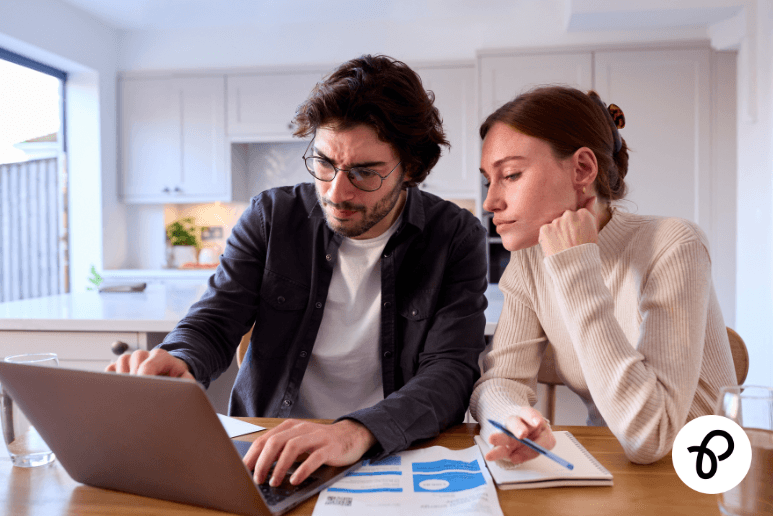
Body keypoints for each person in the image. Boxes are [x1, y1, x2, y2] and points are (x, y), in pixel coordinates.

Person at [107, 55, 488, 487]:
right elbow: (216, 318)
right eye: (324, 163)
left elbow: (451, 371)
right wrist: (180, 357)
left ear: (412, 169)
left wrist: (355, 431)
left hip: (389, 452)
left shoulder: (455, 236)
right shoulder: (271, 216)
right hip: (269, 449)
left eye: (365, 173)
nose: (336, 191)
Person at [470, 85, 736, 466]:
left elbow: (651, 436)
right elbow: (500, 381)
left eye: (510, 174)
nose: (490, 201)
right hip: (612, 469)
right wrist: (514, 421)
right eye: (488, 180)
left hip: (703, 475)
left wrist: (577, 264)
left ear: (582, 169)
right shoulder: (530, 261)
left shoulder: (673, 244)